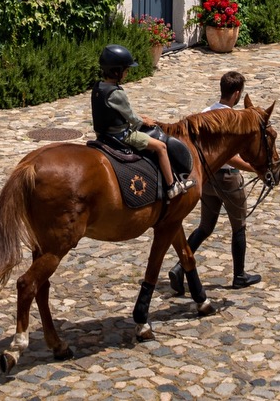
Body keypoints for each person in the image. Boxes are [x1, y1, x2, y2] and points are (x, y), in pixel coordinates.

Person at [171, 69, 261, 292]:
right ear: (237, 94)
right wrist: (252, 167)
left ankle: (180, 268)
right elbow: (228, 156)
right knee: (239, 225)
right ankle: (239, 275)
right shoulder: (231, 119)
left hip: (207, 179)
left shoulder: (205, 112)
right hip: (228, 179)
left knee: (205, 226)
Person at [92, 44, 193, 199]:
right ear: (117, 71)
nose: (127, 73)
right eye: (126, 70)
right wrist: (143, 122)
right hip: (121, 135)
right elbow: (131, 118)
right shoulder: (117, 93)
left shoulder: (98, 87)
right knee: (161, 147)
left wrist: (140, 117)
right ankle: (173, 186)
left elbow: (120, 112)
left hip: (102, 133)